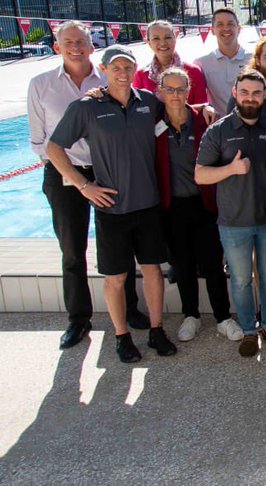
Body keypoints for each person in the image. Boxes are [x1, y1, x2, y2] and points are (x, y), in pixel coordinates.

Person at [46, 46, 174, 363]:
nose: (122, 73)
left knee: (153, 271)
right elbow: (54, 148)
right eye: (115, 67)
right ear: (103, 70)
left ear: (134, 70)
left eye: (128, 67)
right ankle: (121, 336)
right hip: (112, 209)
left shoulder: (148, 102)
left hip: (147, 205)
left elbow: (175, 112)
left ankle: (157, 330)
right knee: (116, 277)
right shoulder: (86, 107)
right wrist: (84, 186)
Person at [28, 21, 148, 349]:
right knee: (72, 249)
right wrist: (78, 180)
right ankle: (78, 319)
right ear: (57, 47)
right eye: (68, 42)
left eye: (81, 41)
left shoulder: (109, 77)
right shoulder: (40, 85)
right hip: (65, 175)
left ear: (92, 46)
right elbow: (40, 142)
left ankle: (130, 309)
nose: (76, 47)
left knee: (120, 244)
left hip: (108, 171)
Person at [196, 68, 266, 357]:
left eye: (256, 93)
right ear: (235, 93)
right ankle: (249, 330)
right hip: (234, 222)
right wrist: (231, 169)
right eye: (245, 92)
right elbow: (200, 175)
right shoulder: (219, 131)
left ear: (264, 96)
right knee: (240, 279)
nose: (250, 98)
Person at [153, 66, 236, 343]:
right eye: (169, 89)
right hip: (171, 207)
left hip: (204, 205)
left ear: (189, 91)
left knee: (212, 264)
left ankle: (223, 317)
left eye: (180, 89)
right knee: (183, 264)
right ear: (160, 91)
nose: (175, 95)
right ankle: (191, 315)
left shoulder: (204, 120)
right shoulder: (152, 122)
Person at [133, 20, 208, 105]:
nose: (163, 43)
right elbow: (138, 109)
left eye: (168, 37)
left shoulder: (194, 71)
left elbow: (202, 109)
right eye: (156, 38)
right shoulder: (141, 75)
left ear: (175, 39)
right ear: (149, 43)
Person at [195, 7, 248, 119]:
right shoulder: (202, 63)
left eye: (230, 24)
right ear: (212, 30)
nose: (226, 28)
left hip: (251, 125)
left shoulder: (254, 58)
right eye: (220, 24)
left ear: (239, 28)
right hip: (219, 128)